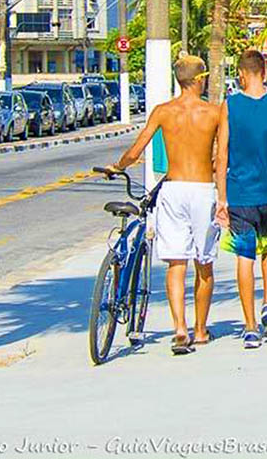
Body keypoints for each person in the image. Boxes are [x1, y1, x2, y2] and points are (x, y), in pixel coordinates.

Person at [109, 55, 221, 355]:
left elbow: (136, 150)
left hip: (173, 189)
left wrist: (118, 166)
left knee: (175, 263)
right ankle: (200, 330)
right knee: (204, 263)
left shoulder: (163, 111)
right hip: (203, 189)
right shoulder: (214, 112)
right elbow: (221, 157)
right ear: (199, 79)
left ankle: (180, 329)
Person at [215, 49, 267, 349]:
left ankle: (250, 328)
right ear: (265, 72)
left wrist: (221, 198)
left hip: (239, 194)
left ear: (240, 74)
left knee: (244, 256)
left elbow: (221, 154)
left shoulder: (229, 106)